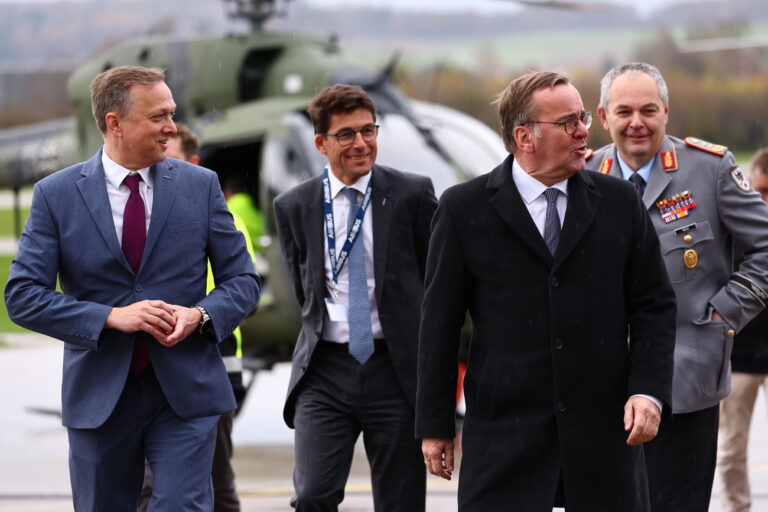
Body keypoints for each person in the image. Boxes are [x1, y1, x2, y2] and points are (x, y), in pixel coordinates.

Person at [416, 70, 677, 511]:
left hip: (603, 438)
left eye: (582, 119)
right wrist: (434, 424)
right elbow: (438, 326)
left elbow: (654, 305)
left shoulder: (618, 202)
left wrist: (648, 390)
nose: (582, 132)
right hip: (505, 438)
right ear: (524, 136)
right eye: (568, 122)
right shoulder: (464, 209)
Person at [4, 65, 260, 511]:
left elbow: (242, 281)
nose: (171, 128)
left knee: (181, 506)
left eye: (172, 114)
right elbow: (22, 295)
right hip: (100, 396)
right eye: (158, 116)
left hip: (186, 392)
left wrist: (200, 314)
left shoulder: (201, 187)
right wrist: (108, 317)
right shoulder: (56, 195)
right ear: (114, 123)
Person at [585, 62, 768, 511]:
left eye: (649, 110)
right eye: (623, 111)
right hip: (601, 384)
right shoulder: (584, 176)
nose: (637, 123)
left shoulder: (711, 169)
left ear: (666, 111)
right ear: (604, 117)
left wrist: (724, 315)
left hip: (685, 379)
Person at [273, 84, 437, 511]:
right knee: (312, 497)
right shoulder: (295, 205)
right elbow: (302, 286)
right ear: (320, 143)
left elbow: (437, 282)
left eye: (369, 130)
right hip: (325, 370)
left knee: (401, 501)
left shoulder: (412, 195)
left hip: (393, 369)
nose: (361, 143)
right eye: (346, 134)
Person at [137, 122, 256, 512]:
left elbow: (243, 286)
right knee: (151, 483)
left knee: (216, 478)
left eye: (170, 160)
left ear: (192, 163)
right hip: (154, 360)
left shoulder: (221, 216)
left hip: (213, 360)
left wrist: (200, 315)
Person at [716, 148, 768, 512]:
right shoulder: (736, 225)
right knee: (731, 448)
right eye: (761, 190)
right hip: (741, 355)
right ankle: (737, 508)